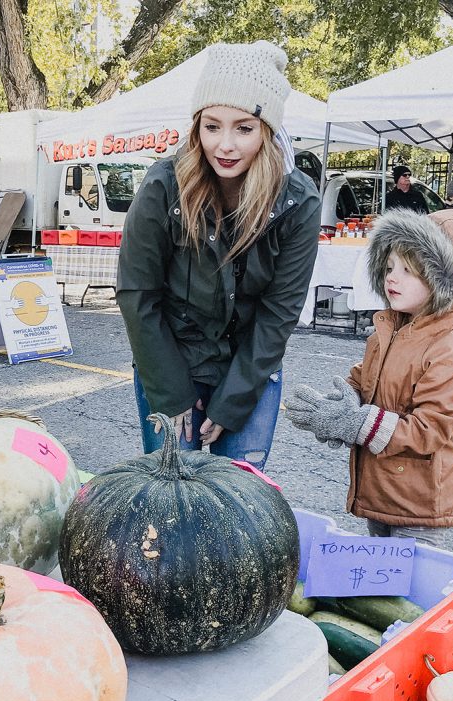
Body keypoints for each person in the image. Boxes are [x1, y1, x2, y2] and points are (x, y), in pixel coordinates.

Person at [116, 41, 321, 472]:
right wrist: (170, 392)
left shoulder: (299, 201)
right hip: (170, 360)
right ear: (197, 126)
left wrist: (232, 402)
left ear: (266, 129)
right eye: (212, 126)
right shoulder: (163, 186)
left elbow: (279, 311)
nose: (224, 145)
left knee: (238, 499)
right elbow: (138, 294)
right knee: (171, 497)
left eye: (243, 128)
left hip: (250, 366)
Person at [284, 209, 453, 547]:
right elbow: (362, 381)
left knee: (403, 595)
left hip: (419, 504)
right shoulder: (389, 329)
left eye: (410, 270)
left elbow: (429, 430)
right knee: (377, 585)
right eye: (390, 266)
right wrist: (339, 405)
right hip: (380, 492)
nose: (392, 278)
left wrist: (355, 424)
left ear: (447, 280)